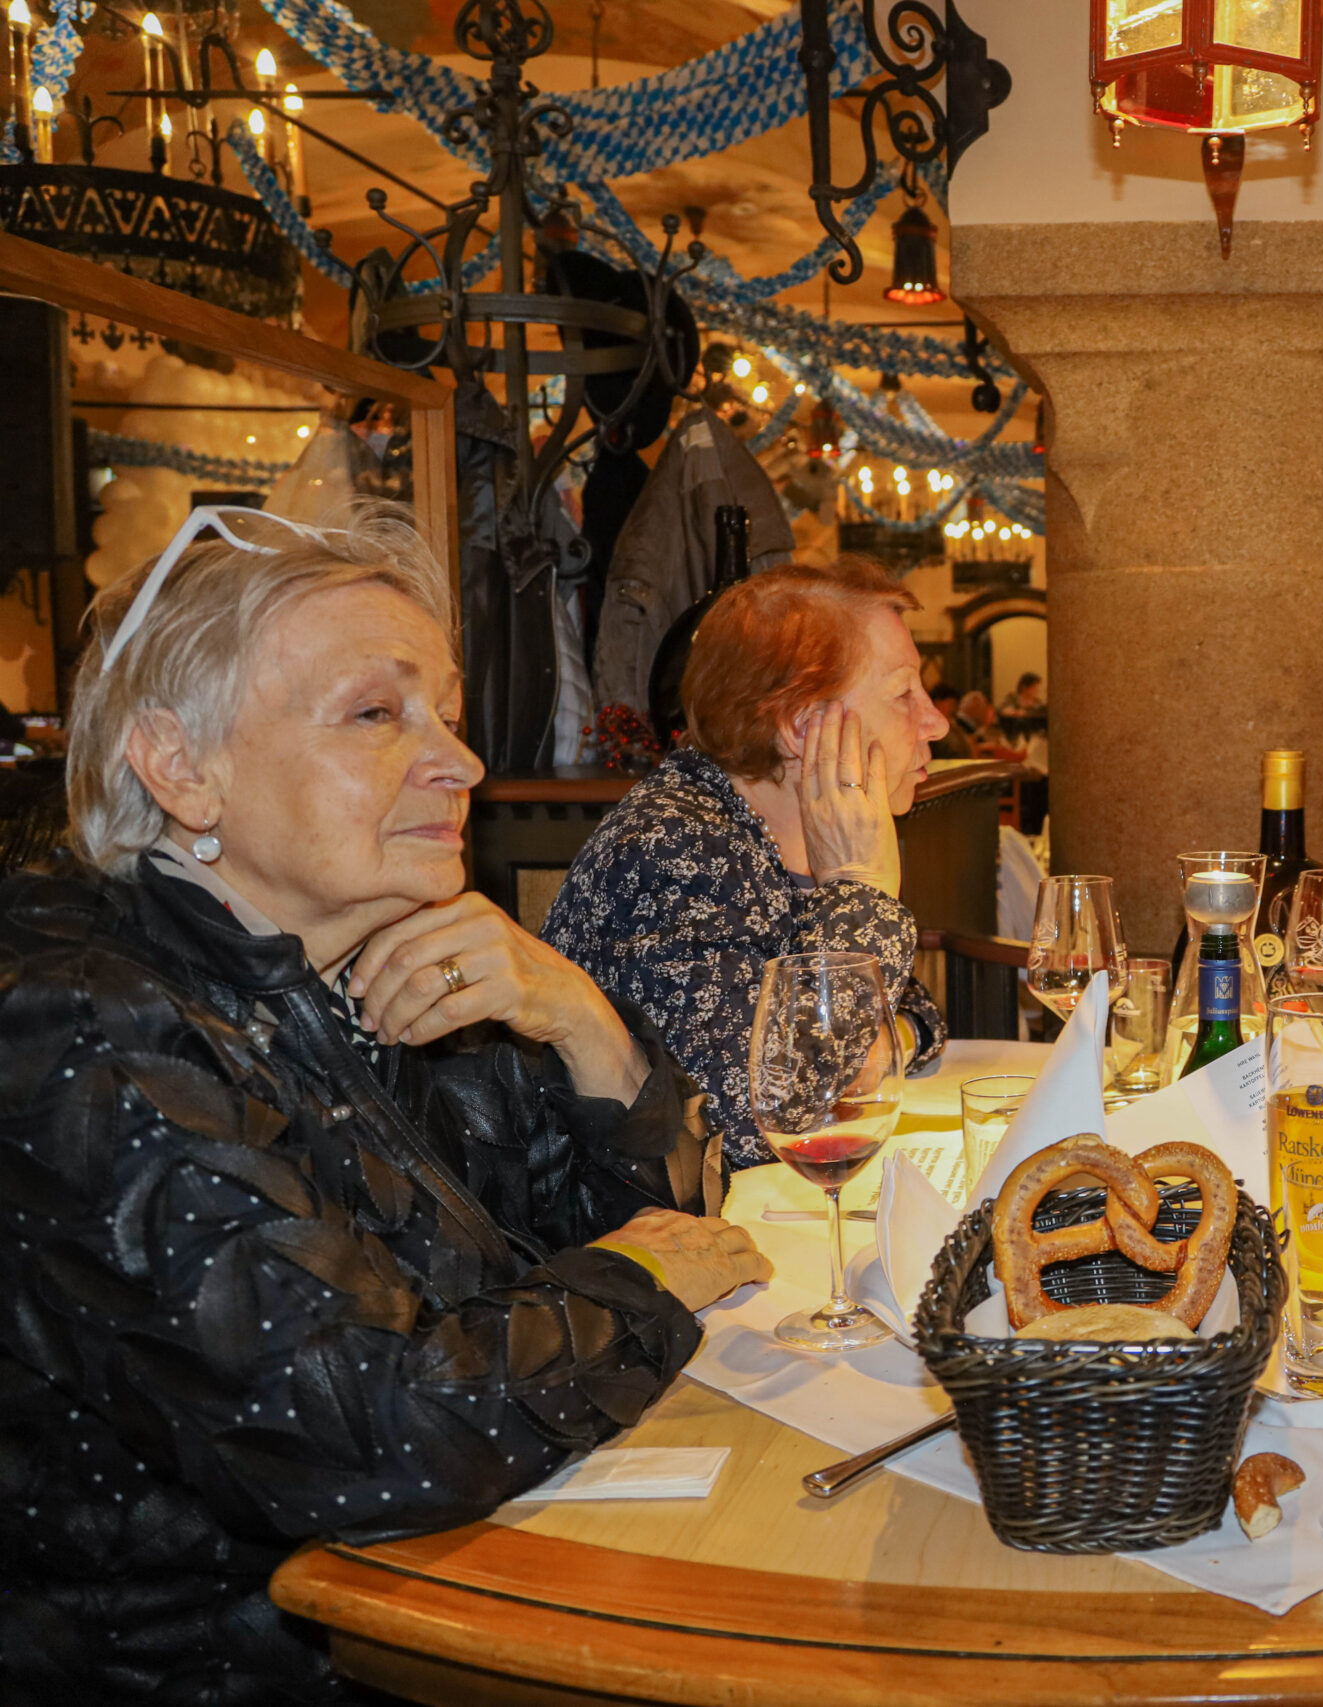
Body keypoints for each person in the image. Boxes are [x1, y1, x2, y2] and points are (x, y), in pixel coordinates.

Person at [0, 506, 769, 1702]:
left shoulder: (374, 961)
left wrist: (584, 1022)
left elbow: (648, 1230)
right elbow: (365, 1437)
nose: (459, 762)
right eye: (375, 713)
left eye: (446, 715)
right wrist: (642, 1278)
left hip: (452, 1594)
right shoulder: (82, 1022)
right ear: (181, 767)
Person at [545, 558, 952, 1169]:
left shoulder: (776, 835)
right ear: (801, 726)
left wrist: (877, 1042)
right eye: (902, 694)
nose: (936, 722)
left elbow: (913, 1007)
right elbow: (754, 1126)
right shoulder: (674, 851)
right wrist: (861, 890)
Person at [927, 682, 975, 760]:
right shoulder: (929, 728)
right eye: (950, 704)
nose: (952, 709)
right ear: (937, 702)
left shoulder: (955, 724)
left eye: (954, 705)